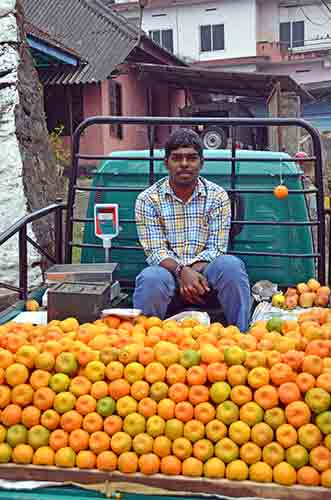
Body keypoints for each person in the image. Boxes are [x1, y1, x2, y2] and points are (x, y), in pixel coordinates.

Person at [133, 128, 251, 331]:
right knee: (150, 278)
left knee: (231, 266)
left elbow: (217, 248)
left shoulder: (217, 196)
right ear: (166, 163)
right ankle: (145, 343)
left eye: (191, 158)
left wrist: (190, 274)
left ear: (201, 163)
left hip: (206, 273)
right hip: (166, 275)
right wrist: (181, 272)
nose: (184, 164)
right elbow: (155, 252)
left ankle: (242, 336)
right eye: (177, 158)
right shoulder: (148, 199)